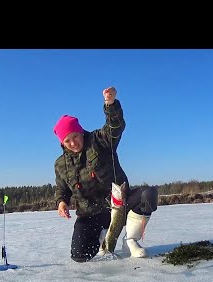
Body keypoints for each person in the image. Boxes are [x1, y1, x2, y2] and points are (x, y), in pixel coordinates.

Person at [53, 86, 158, 262]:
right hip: (90, 213)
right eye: (67, 140)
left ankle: (130, 240)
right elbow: (62, 188)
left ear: (81, 132)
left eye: (75, 136)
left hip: (119, 203)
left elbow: (114, 127)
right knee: (80, 256)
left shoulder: (99, 141)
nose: (73, 142)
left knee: (148, 194)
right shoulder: (60, 164)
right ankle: (104, 239)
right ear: (62, 143)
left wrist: (110, 105)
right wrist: (62, 201)